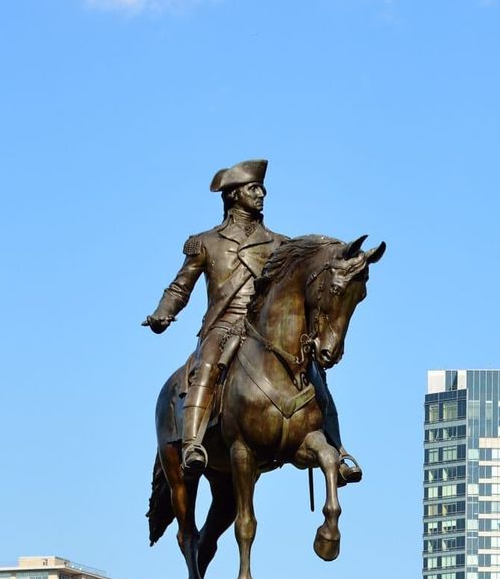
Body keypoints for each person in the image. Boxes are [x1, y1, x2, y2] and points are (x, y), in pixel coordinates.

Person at [144, 159, 360, 482]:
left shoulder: (279, 243)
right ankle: (192, 443)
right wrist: (164, 312)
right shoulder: (207, 242)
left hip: (266, 328)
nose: (262, 194)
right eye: (253, 188)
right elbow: (180, 287)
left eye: (261, 188)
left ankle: (337, 449)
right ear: (233, 196)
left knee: (315, 371)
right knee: (208, 362)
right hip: (224, 323)